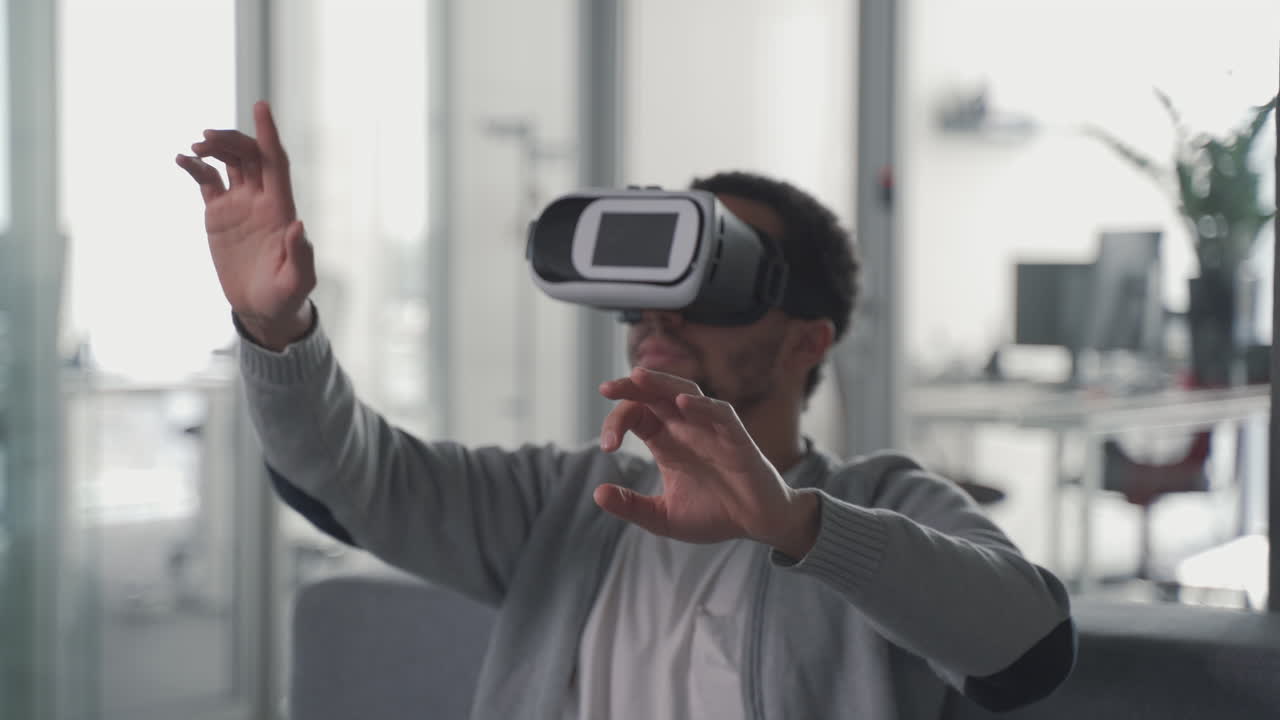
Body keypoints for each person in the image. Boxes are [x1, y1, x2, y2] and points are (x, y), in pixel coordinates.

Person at [176, 101, 1075, 720]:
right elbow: (345, 480)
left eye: (716, 277)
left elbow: (1026, 649)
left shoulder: (883, 507)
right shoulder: (565, 504)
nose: (663, 311)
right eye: (650, 280)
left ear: (809, 340)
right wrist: (275, 323)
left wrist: (801, 527)